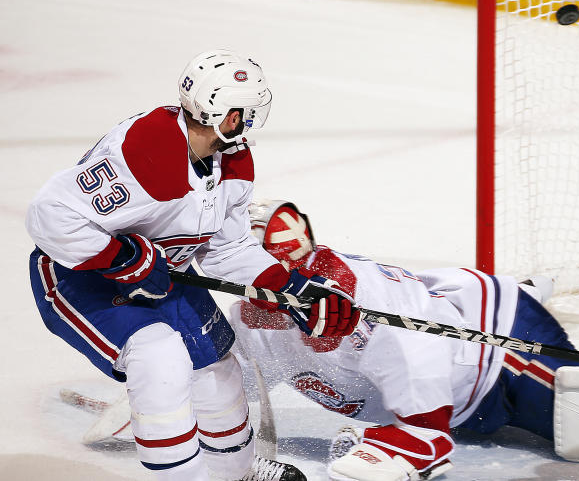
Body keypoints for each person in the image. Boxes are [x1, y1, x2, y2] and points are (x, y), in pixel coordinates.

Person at [25, 50, 360, 481]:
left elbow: (228, 249)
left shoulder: (232, 161)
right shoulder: (149, 152)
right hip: (81, 276)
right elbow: (49, 216)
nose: (251, 122)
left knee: (217, 370)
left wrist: (293, 289)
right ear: (226, 113)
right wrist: (121, 256)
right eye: (247, 112)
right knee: (160, 357)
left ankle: (233, 472)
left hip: (163, 272)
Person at [234, 199, 579, 481]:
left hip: (497, 348)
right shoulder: (252, 319)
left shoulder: (352, 295)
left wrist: (420, 434)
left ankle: (517, 295)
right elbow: (227, 386)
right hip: (463, 406)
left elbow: (415, 339)